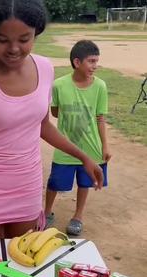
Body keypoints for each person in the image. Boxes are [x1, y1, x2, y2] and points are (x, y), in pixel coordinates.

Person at [0, 1, 104, 269]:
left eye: (24, 39)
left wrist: (83, 156)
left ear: (36, 33)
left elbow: (42, 125)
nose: (13, 49)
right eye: (2, 40)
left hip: (27, 185)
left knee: (24, 266)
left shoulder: (45, 68)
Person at [44, 40, 110, 235]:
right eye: (91, 61)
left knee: (85, 183)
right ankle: (46, 211)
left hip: (91, 147)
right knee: (55, 182)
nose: (95, 66)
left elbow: (100, 118)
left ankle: (78, 215)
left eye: (96, 61)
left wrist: (105, 146)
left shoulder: (100, 86)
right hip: (65, 147)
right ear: (77, 62)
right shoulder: (59, 85)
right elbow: (55, 112)